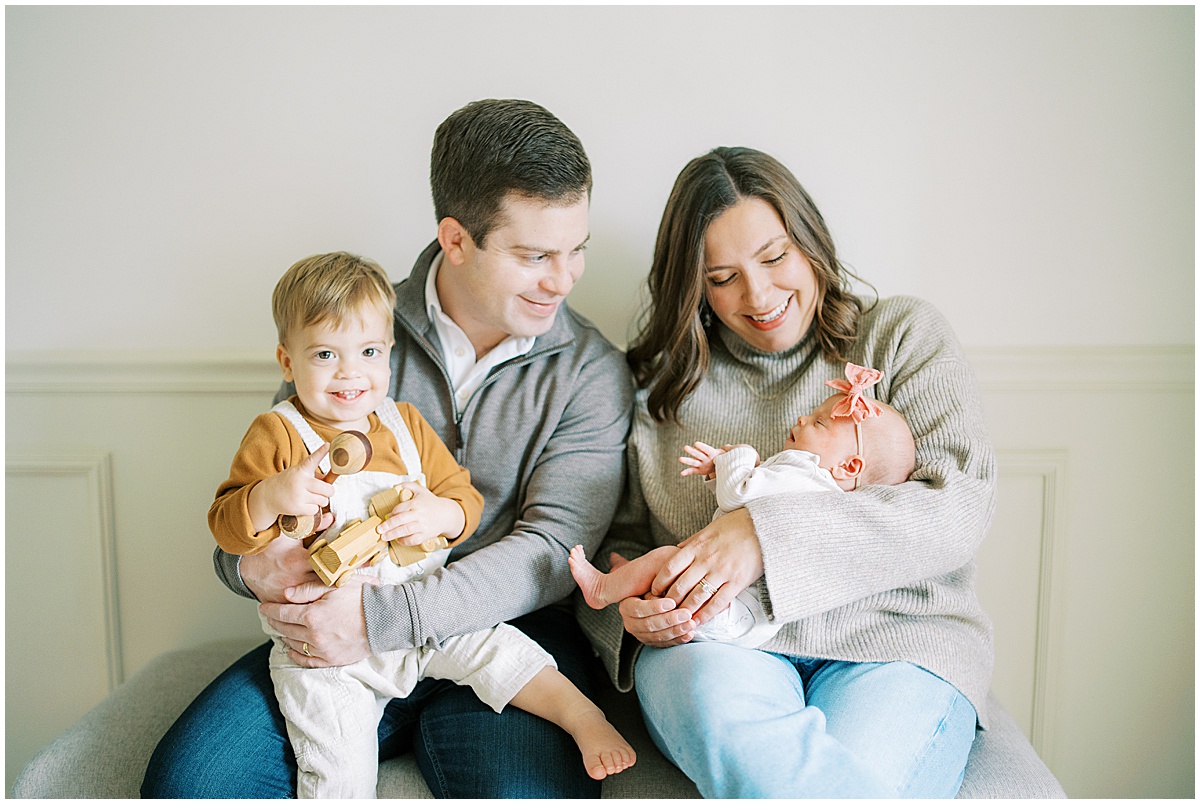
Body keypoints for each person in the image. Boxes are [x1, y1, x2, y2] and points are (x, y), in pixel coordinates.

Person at [143, 99, 634, 798]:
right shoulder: (346, 335)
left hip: (503, 629)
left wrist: (383, 621)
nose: (565, 277)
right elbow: (254, 504)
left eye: (576, 248)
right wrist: (255, 572)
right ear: (457, 239)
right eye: (536, 256)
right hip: (333, 628)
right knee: (192, 784)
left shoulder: (588, 372)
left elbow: (556, 549)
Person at [574, 146, 996, 798]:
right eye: (722, 276)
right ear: (695, 287)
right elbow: (610, 547)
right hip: (719, 645)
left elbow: (957, 507)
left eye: (775, 259)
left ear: (812, 243)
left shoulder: (901, 337)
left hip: (892, 642)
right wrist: (629, 617)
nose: (760, 295)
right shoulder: (651, 387)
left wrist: (763, 537)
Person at [209, 251, 635, 796]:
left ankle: (583, 719)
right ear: (286, 362)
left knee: (507, 655)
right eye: (323, 355)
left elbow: (464, 496)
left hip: (429, 612)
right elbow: (225, 529)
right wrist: (269, 498)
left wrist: (443, 513)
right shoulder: (279, 433)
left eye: (367, 353)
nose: (349, 373)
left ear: (389, 354)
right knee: (333, 765)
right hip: (325, 648)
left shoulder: (403, 423)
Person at [569, 362, 915, 649]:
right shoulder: (819, 495)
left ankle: (602, 590)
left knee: (667, 559)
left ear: (849, 467)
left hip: (728, 608)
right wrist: (721, 468)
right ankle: (628, 578)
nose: (802, 420)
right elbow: (749, 496)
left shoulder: (804, 475)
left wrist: (741, 455)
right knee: (668, 572)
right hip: (744, 621)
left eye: (818, 422)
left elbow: (737, 496)